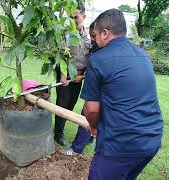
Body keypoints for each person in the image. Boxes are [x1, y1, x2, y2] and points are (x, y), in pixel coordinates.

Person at [81, 9, 163, 180]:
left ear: (105, 33)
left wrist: (94, 127)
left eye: (95, 35)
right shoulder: (142, 55)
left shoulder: (98, 59)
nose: (93, 40)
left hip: (121, 144)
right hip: (152, 139)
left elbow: (92, 109)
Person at [54, 3, 91, 146]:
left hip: (79, 75)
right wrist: (63, 75)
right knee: (62, 104)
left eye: (76, 17)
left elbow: (88, 56)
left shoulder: (88, 35)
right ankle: (58, 133)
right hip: (66, 73)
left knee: (71, 104)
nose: (72, 20)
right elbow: (61, 55)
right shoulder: (66, 33)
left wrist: (82, 75)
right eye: (70, 17)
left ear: (84, 16)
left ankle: (61, 127)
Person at [64, 21, 98, 156]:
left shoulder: (101, 50)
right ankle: (89, 138)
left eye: (94, 36)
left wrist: (80, 77)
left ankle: (77, 149)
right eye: (91, 36)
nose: (92, 39)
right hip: (87, 80)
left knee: (88, 114)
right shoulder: (96, 47)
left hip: (96, 87)